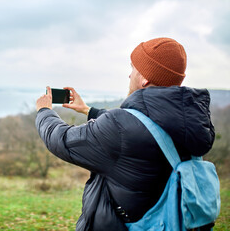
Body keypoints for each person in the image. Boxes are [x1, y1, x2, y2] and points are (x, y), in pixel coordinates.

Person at [35, 37, 215, 231]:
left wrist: (44, 112)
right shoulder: (190, 122)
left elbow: (63, 141)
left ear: (145, 78)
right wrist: (89, 111)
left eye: (133, 68)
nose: (129, 75)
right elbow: (140, 126)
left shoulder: (119, 127)